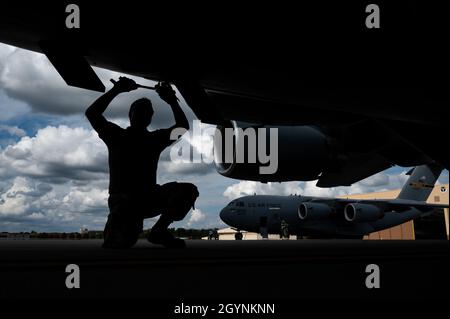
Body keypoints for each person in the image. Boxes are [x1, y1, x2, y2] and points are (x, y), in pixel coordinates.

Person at [85, 76, 199, 249]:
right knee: (118, 244)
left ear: (151, 117)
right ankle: (122, 225)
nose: (143, 113)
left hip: (148, 198)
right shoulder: (118, 136)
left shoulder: (152, 139)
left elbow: (182, 127)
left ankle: (159, 230)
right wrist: (116, 90)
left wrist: (172, 101)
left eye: (147, 110)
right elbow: (91, 113)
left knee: (187, 190)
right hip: (123, 201)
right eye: (139, 109)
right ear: (130, 114)